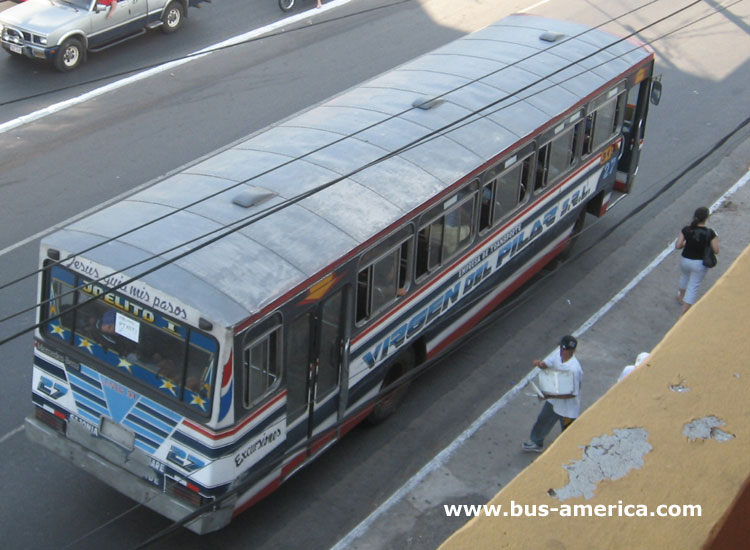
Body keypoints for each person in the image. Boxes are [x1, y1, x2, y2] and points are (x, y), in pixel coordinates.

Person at [522, 335, 583, 453]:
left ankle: (571, 451)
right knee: (543, 420)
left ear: (572, 351)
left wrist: (549, 396)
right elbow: (547, 363)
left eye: (566, 350)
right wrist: (539, 364)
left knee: (569, 431)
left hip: (568, 407)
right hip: (553, 400)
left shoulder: (574, 370)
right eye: (563, 349)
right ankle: (536, 442)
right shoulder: (557, 354)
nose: (563, 352)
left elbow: (572, 394)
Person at [675, 206, 719, 316]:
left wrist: (687, 243)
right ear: (706, 218)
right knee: (693, 286)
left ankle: (681, 296)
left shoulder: (687, 229)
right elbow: (716, 250)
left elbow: (678, 245)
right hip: (699, 263)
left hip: (685, 259)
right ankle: (684, 312)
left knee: (684, 277)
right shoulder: (710, 233)